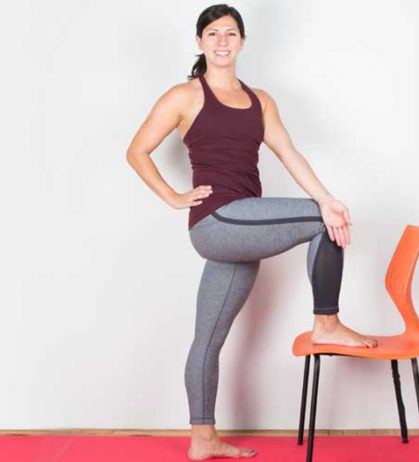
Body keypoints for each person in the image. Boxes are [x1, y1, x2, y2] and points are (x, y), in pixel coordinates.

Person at [126, 4, 378, 460]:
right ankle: (327, 323)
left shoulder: (261, 100)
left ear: (242, 41)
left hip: (240, 231)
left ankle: (202, 439)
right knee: (321, 218)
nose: (222, 41)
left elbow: (289, 153)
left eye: (230, 33)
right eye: (213, 33)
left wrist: (326, 195)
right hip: (217, 221)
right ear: (200, 42)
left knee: (208, 340)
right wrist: (173, 197)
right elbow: (137, 151)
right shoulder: (184, 96)